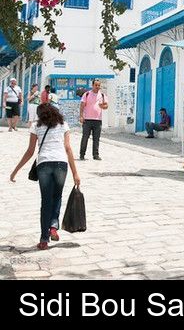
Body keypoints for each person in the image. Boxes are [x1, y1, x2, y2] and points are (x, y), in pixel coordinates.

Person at [10, 103, 81, 250]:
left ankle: (44, 239)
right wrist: (75, 173)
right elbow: (68, 148)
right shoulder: (64, 125)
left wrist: (15, 171)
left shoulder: (36, 126)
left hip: (44, 164)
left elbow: (30, 151)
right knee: (58, 197)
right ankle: (53, 227)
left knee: (46, 201)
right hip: (61, 164)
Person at [79, 79, 108, 161]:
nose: (97, 87)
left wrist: (103, 106)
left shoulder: (102, 95)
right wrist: (81, 116)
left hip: (98, 120)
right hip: (87, 120)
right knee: (85, 137)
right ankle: (82, 154)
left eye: (99, 85)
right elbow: (82, 106)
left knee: (96, 138)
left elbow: (106, 106)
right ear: (92, 85)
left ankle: (95, 155)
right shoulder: (87, 94)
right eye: (96, 85)